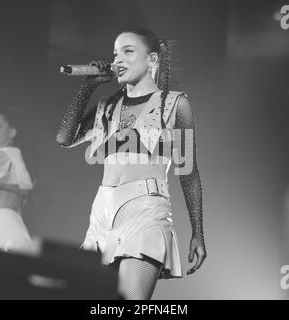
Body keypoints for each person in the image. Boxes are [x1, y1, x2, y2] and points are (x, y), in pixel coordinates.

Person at [57, 28, 206, 300]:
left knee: (128, 302)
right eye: (115, 53)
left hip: (146, 208)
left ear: (152, 59)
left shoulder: (174, 104)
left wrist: (198, 232)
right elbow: (64, 138)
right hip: (102, 211)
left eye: (128, 51)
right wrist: (88, 85)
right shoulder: (108, 106)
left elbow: (188, 171)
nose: (118, 59)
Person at [0, 112, 33, 252]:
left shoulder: (4, 154)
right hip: (8, 224)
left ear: (12, 132)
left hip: (0, 225)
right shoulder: (13, 155)